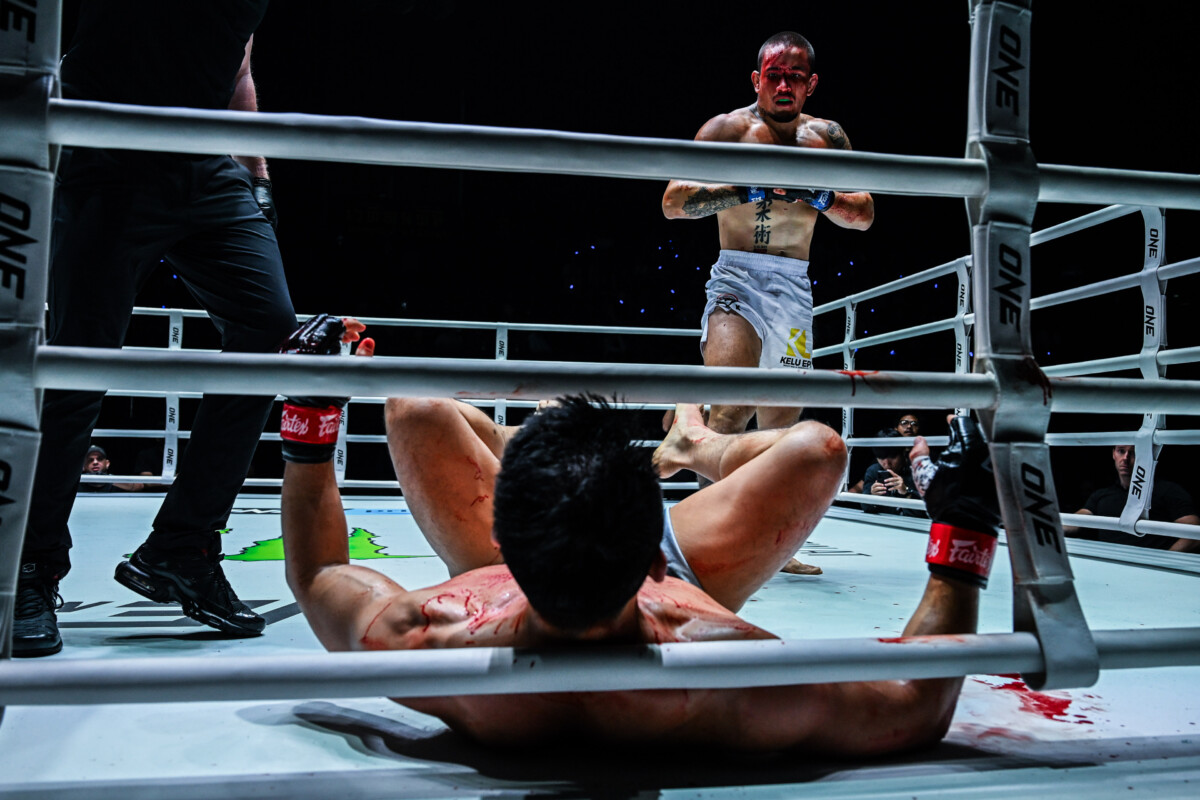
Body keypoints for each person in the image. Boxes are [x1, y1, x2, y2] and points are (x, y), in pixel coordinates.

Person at [279, 319, 1000, 755]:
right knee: (818, 448)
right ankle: (672, 447)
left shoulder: (432, 640)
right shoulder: (726, 675)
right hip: (650, 576)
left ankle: (579, 449)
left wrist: (310, 414)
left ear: (499, 542)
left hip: (544, 561)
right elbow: (914, 704)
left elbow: (318, 574)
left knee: (412, 403)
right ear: (658, 556)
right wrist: (963, 532)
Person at [12, 1, 294, 658]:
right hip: (107, 154)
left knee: (268, 329)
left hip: (204, 163)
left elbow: (238, 63)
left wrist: (256, 174)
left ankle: (181, 549)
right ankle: (30, 568)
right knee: (79, 367)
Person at [661, 31, 874, 436]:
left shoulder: (827, 138)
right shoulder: (726, 130)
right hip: (737, 279)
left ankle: (691, 427)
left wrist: (818, 196)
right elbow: (673, 203)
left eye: (795, 76)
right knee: (730, 412)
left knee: (779, 432)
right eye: (774, 75)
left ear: (811, 84)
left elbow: (863, 215)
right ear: (756, 79)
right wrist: (747, 190)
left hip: (793, 288)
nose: (783, 85)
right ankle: (699, 456)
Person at [1063, 445, 1200, 553]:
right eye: (1121, 451)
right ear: (1114, 454)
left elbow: (1194, 534)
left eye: (1133, 453)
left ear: (1144, 456)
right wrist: (1053, 525)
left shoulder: (1168, 490)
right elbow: (1076, 521)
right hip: (1107, 565)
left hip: (1151, 569)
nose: (1126, 458)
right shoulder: (1101, 495)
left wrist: (1164, 562)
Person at [860, 429, 919, 515]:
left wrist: (907, 492)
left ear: (903, 452)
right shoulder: (873, 471)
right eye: (881, 457)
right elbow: (865, 507)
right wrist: (872, 497)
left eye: (892, 456)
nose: (887, 463)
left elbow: (927, 512)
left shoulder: (917, 471)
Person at [79, 444, 145, 493]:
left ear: (107, 464)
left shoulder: (116, 484)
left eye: (100, 459)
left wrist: (107, 479)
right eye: (90, 460)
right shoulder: (77, 486)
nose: (95, 462)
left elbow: (140, 486)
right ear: (83, 466)